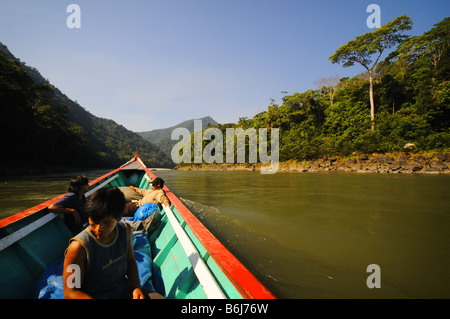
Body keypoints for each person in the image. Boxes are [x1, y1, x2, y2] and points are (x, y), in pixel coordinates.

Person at [63, 187, 163, 299]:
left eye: (106, 222)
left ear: (119, 217)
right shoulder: (78, 248)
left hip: (123, 290)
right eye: (94, 222)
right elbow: (70, 292)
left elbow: (130, 261)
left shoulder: (125, 230)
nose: (99, 228)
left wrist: (136, 288)